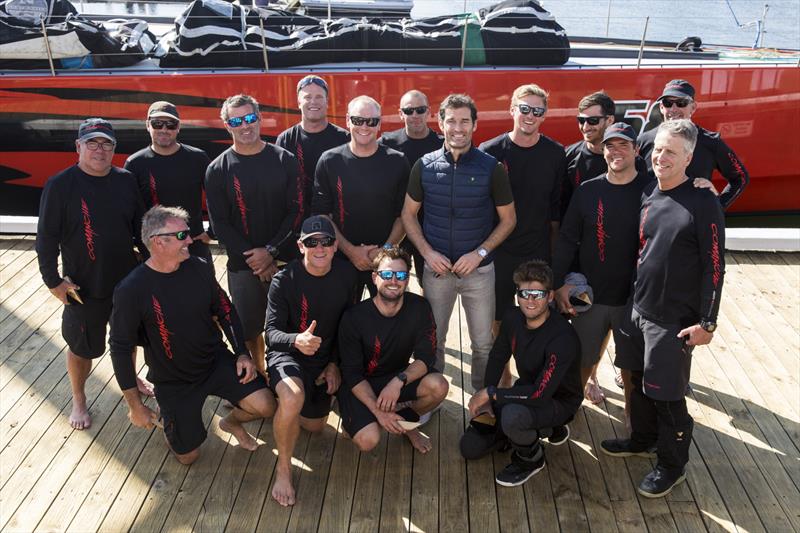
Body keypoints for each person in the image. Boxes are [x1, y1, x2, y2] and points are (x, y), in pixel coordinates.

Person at [602, 119, 725, 498]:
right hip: (638, 308)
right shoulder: (650, 191)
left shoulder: (704, 201)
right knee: (635, 382)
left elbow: (716, 265)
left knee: (667, 395)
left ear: (689, 157)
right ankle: (642, 439)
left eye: (671, 151)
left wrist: (708, 322)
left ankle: (673, 466)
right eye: (657, 149)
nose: (660, 157)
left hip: (673, 320)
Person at [109, 206, 275, 464]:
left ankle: (230, 423)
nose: (190, 239)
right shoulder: (131, 289)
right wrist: (135, 405)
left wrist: (242, 353)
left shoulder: (198, 267)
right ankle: (170, 417)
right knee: (188, 456)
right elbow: (120, 347)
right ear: (157, 242)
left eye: (188, 234)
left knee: (266, 405)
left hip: (213, 362)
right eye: (181, 236)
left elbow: (225, 310)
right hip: (173, 379)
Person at [36, 117, 145, 430]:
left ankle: (131, 380)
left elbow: (140, 228)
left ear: (113, 149)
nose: (100, 149)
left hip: (126, 281)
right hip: (83, 286)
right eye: (92, 142)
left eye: (106, 143)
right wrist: (53, 281)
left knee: (127, 339)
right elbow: (45, 238)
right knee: (82, 348)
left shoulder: (125, 180)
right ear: (78, 147)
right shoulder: (60, 185)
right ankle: (79, 398)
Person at [401, 93, 516, 391]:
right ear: (440, 123)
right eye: (451, 121)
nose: (458, 128)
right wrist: (427, 253)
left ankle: (482, 400)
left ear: (475, 125)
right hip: (437, 272)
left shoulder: (491, 168)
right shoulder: (424, 166)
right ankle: (431, 396)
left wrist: (479, 254)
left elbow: (509, 220)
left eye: (465, 121)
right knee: (433, 342)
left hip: (478, 273)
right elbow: (408, 216)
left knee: (482, 344)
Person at [552, 123, 652, 409]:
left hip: (634, 299)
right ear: (603, 151)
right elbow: (568, 240)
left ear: (635, 149)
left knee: (632, 367)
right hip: (591, 297)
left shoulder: (652, 190)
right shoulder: (587, 190)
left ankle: (635, 424)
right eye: (610, 146)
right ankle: (568, 412)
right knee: (583, 359)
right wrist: (558, 284)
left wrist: (702, 185)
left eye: (624, 145)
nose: (616, 151)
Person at [461, 260, 581, 487]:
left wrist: (492, 394)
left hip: (558, 400)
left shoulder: (563, 338)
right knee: (470, 446)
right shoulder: (513, 318)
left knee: (513, 417)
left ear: (550, 296)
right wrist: (487, 395)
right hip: (527, 389)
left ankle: (531, 459)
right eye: (525, 293)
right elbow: (497, 357)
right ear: (518, 295)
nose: (531, 300)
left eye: (538, 293)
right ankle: (545, 428)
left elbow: (540, 395)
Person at [205, 94, 301, 376]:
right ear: (227, 125)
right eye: (237, 120)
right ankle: (259, 373)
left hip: (285, 260)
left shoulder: (285, 160)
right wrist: (256, 259)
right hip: (242, 265)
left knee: (290, 322)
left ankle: (291, 374)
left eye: (250, 118)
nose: (245, 125)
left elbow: (296, 212)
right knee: (250, 326)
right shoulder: (217, 169)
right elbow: (220, 224)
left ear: (259, 118)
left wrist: (270, 252)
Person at [266, 215, 358, 507]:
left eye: (326, 242)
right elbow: (270, 333)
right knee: (293, 398)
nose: (320, 248)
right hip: (288, 354)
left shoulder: (348, 276)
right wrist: (296, 340)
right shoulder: (284, 279)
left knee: (315, 427)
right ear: (300, 246)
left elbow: (349, 327)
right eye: (311, 242)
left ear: (335, 247)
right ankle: (283, 469)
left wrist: (333, 364)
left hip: (324, 358)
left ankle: (280, 406)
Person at [337, 246, 449, 454]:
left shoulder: (419, 307)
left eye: (400, 275)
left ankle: (406, 425)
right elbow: (351, 374)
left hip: (395, 377)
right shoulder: (354, 317)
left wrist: (398, 381)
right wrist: (378, 413)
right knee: (367, 440)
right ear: (374, 277)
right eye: (387, 274)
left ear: (407, 279)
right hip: (361, 383)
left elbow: (426, 357)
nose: (394, 280)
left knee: (439, 386)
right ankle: (373, 418)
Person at [479, 84, 566, 336]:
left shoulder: (555, 153)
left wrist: (553, 257)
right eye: (525, 109)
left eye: (537, 111)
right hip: (498, 250)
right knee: (497, 314)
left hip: (535, 250)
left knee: (536, 313)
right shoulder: (490, 151)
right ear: (512, 110)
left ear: (544, 115)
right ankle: (504, 371)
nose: (530, 116)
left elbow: (554, 210)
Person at [312, 95, 410, 298]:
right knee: (341, 324)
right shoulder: (329, 160)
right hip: (341, 260)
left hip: (385, 263)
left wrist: (383, 253)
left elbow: (404, 215)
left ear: (379, 124)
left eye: (371, 121)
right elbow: (323, 215)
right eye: (358, 120)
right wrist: (351, 251)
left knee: (389, 323)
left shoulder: (398, 162)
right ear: (347, 120)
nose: (364, 126)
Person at [637, 79, 749, 209]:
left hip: (694, 221)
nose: (674, 109)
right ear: (662, 108)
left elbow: (740, 177)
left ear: (693, 107)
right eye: (668, 103)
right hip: (653, 218)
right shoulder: (643, 141)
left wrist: (718, 206)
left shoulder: (711, 142)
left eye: (681, 103)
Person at [124, 101, 212, 262]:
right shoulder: (135, 163)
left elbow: (216, 197)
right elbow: (129, 210)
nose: (164, 129)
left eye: (170, 124)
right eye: (157, 124)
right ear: (147, 125)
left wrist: (212, 231)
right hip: (154, 249)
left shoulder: (197, 158)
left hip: (193, 245)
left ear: (178, 127)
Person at [276, 75, 350, 251]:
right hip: (296, 228)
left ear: (327, 101)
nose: (313, 102)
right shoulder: (286, 140)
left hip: (337, 227)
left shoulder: (344, 138)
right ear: (298, 102)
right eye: (307, 97)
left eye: (319, 97)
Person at [379, 90, 444, 286]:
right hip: (397, 227)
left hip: (431, 229)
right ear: (400, 113)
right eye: (408, 110)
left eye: (420, 110)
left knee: (431, 289)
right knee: (393, 284)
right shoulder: (386, 143)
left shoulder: (443, 144)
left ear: (429, 112)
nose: (414, 115)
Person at [561, 91, 616, 217]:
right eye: (581, 120)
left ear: (609, 120)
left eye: (593, 120)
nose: (585, 127)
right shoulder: (568, 156)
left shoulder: (625, 158)